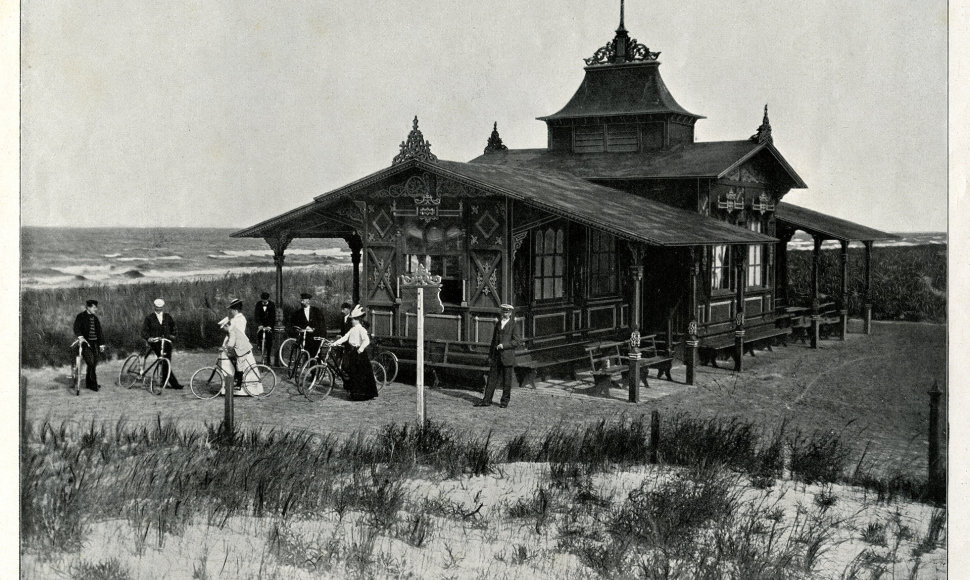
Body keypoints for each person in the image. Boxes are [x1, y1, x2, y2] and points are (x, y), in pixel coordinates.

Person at [475, 303, 521, 408]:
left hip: (507, 357)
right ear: (501, 312)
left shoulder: (514, 325)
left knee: (507, 381)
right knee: (491, 379)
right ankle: (486, 400)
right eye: (503, 311)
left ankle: (504, 402)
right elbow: (493, 341)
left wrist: (503, 346)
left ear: (510, 313)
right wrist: (490, 356)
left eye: (507, 312)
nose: (505, 314)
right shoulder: (498, 324)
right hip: (496, 356)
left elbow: (516, 342)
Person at [331, 304, 378, 401]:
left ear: (357, 320)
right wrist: (334, 344)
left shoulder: (361, 329)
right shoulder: (352, 329)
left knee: (360, 374)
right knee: (353, 373)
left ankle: (362, 395)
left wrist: (360, 349)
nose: (351, 321)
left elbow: (366, 341)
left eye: (353, 319)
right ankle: (354, 394)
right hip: (352, 353)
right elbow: (345, 338)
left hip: (359, 354)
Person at [218, 299, 262, 396]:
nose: (230, 311)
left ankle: (239, 387)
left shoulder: (237, 320)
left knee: (238, 366)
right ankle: (237, 386)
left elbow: (233, 335)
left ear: (235, 310)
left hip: (240, 346)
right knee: (239, 365)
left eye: (232, 309)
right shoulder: (239, 319)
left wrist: (227, 346)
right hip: (240, 344)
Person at [141, 298, 183, 389]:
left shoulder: (167, 316)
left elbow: (174, 327)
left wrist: (173, 336)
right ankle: (174, 384)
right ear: (154, 307)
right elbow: (144, 331)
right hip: (156, 343)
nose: (159, 309)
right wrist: (149, 338)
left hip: (167, 342)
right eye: (157, 307)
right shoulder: (149, 318)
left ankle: (164, 382)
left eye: (160, 308)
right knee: (164, 361)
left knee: (166, 362)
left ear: (163, 307)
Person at [72, 299, 106, 391]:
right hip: (85, 344)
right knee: (90, 363)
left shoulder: (95, 318)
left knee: (94, 364)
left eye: (96, 307)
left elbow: (99, 332)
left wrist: (101, 345)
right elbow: (76, 328)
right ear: (88, 307)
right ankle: (93, 385)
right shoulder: (81, 316)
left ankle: (89, 383)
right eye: (94, 307)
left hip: (95, 344)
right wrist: (81, 337)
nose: (96, 309)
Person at [253, 291, 276, 363]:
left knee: (269, 341)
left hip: (269, 325)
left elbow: (273, 316)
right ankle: (260, 346)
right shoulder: (258, 304)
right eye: (263, 300)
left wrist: (270, 326)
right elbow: (256, 315)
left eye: (266, 300)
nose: (264, 301)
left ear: (268, 299)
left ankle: (268, 358)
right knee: (259, 337)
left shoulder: (272, 304)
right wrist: (259, 325)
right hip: (261, 325)